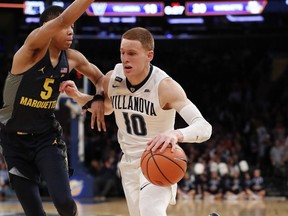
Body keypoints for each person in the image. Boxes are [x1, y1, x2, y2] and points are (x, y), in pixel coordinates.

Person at [60, 27, 212, 216]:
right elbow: (107, 108)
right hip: (128, 164)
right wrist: (78, 96)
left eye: (132, 53)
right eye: (122, 53)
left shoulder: (165, 86)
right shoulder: (113, 78)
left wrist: (175, 134)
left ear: (149, 55)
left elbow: (205, 127)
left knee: (151, 211)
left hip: (158, 158)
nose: (125, 59)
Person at [0, 1, 106, 215]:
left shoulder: (73, 58)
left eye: (73, 29)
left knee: (65, 204)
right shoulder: (30, 51)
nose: (70, 32)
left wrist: (99, 96)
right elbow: (63, 19)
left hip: (47, 137)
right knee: (34, 212)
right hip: (14, 140)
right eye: (66, 27)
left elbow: (100, 77)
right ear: (47, 30)